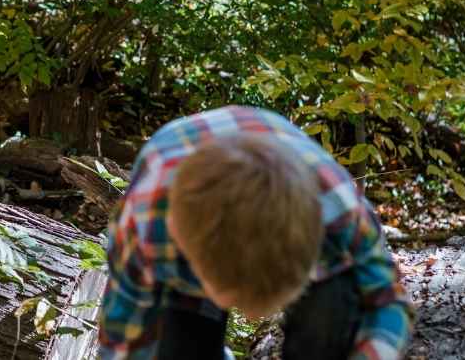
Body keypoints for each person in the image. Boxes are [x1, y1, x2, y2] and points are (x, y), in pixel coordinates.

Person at [99, 106, 413, 359]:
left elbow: (388, 303)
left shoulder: (340, 211)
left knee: (332, 313)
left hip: (310, 215)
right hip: (174, 197)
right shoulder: (144, 225)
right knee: (179, 344)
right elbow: (125, 337)